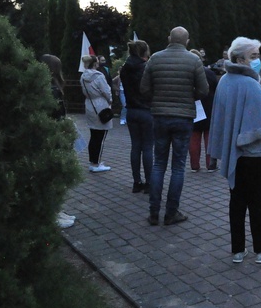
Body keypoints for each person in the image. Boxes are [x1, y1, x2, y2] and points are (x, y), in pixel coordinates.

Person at [208, 37, 261, 265]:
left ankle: (238, 250)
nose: (257, 61)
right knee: (257, 202)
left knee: (236, 201)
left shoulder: (224, 82)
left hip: (233, 153)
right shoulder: (250, 84)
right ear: (240, 59)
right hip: (254, 153)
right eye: (254, 57)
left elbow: (219, 119)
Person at [140, 27, 209, 226]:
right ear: (187, 42)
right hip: (183, 117)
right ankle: (171, 213)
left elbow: (144, 88)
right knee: (178, 166)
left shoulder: (155, 58)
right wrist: (188, 97)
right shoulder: (194, 60)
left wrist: (158, 99)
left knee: (158, 164)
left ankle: (154, 212)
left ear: (169, 38)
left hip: (160, 116)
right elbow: (204, 90)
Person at [40, 54, 77, 229]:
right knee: (54, 176)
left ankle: (57, 211)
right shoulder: (51, 89)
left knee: (55, 176)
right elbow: (54, 113)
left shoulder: (50, 86)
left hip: (52, 134)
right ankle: (53, 213)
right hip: (53, 136)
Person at [120, 40, 153, 194]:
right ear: (144, 51)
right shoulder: (146, 68)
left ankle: (136, 181)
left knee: (135, 146)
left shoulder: (125, 69)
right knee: (147, 147)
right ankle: (149, 182)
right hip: (146, 110)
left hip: (131, 110)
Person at [80, 55, 113, 173]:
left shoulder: (83, 76)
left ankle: (92, 161)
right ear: (95, 63)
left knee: (93, 134)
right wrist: (110, 101)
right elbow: (106, 91)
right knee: (100, 136)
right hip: (101, 105)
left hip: (89, 105)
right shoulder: (99, 76)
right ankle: (96, 163)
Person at [189, 49, 219, 173]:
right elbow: (216, 89)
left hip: (194, 108)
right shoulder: (209, 73)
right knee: (209, 137)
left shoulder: (187, 74)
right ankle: (211, 164)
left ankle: (195, 165)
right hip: (209, 108)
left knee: (194, 138)